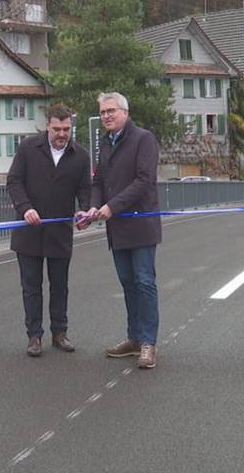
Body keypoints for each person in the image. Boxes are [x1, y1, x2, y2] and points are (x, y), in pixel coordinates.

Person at [82, 92, 162, 369]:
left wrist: (111, 207)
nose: (106, 116)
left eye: (111, 111)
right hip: (117, 228)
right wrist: (93, 208)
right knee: (128, 284)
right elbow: (98, 183)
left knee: (144, 283)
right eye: (103, 112)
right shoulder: (104, 144)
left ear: (125, 112)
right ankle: (135, 339)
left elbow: (144, 181)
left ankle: (149, 343)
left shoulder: (143, 139)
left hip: (140, 225)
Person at [7, 104, 92, 357]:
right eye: (57, 129)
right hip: (28, 231)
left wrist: (84, 210)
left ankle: (60, 333)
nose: (62, 134)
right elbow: (14, 181)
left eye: (67, 129)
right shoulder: (28, 148)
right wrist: (25, 208)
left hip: (60, 232)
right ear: (48, 126)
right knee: (31, 286)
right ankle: (34, 337)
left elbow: (85, 189)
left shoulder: (80, 155)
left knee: (60, 285)